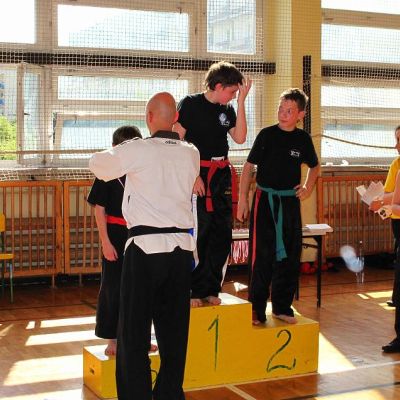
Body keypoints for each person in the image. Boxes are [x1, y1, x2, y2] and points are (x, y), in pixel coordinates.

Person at [89, 92, 199, 400]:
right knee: (174, 330)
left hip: (145, 250)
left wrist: (122, 149)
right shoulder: (191, 152)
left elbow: (98, 165)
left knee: (133, 330)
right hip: (180, 251)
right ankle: (169, 394)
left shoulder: (137, 149)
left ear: (149, 117)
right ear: (175, 117)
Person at [237, 88, 320, 325]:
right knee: (262, 256)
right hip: (265, 201)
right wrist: (243, 198)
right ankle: (256, 308)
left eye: (289, 111)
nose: (283, 114)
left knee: (290, 255)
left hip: (290, 202)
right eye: (281, 109)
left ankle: (282, 307)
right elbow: (248, 167)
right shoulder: (266, 135)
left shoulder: (303, 139)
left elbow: (315, 167)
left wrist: (307, 186)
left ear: (300, 115)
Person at [177, 60, 252, 307]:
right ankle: (193, 290)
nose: (233, 96)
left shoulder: (227, 109)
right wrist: (192, 175)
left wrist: (241, 103)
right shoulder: (190, 104)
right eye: (232, 92)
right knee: (200, 234)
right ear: (218, 86)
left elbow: (240, 137)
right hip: (198, 175)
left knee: (221, 234)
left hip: (221, 177)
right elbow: (176, 142)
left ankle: (211, 288)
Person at [87, 125, 157, 356]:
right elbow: (99, 210)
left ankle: (141, 339)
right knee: (113, 288)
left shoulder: (143, 171)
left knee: (142, 288)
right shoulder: (106, 173)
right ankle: (113, 340)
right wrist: (105, 243)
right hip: (115, 236)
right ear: (114, 148)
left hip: (140, 233)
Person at [369, 125, 400, 352]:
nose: (397, 145)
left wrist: (385, 204)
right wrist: (381, 203)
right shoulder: (397, 167)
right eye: (396, 139)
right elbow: (393, 198)